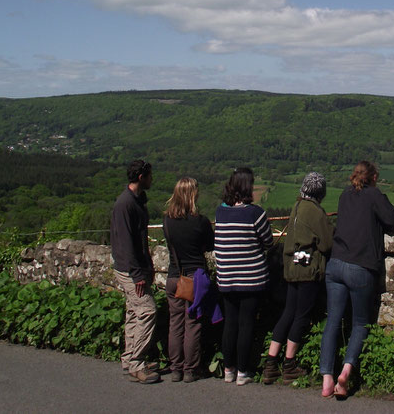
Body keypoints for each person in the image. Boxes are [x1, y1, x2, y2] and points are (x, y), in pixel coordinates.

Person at [319, 161, 394, 398]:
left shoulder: (345, 195)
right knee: (359, 323)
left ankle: (326, 377)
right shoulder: (374, 195)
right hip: (361, 265)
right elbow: (393, 221)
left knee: (333, 321)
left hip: (335, 263)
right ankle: (346, 371)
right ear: (374, 177)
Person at [262, 172, 333, 385]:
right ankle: (289, 364)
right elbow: (327, 243)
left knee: (288, 313)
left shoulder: (297, 206)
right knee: (301, 316)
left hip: (291, 268)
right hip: (307, 270)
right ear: (321, 192)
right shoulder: (314, 211)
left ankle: (270, 362)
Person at [214, 167, 273, 386]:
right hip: (251, 278)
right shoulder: (255, 213)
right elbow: (268, 242)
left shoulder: (221, 212)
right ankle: (243, 371)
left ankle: (228, 369)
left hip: (227, 277)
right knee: (247, 324)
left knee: (230, 323)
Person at [110, 159, 160, 383]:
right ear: (141, 177)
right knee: (147, 310)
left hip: (133, 267)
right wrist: (137, 274)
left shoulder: (135, 201)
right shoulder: (125, 205)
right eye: (149, 176)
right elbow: (125, 243)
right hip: (130, 269)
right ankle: (137, 365)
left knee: (133, 310)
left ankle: (129, 358)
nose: (152, 179)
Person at [162, 176, 214, 383]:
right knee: (192, 323)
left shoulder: (167, 221)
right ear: (193, 195)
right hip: (194, 278)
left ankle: (175, 367)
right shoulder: (200, 221)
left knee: (175, 323)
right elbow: (210, 245)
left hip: (174, 276)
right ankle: (190, 369)